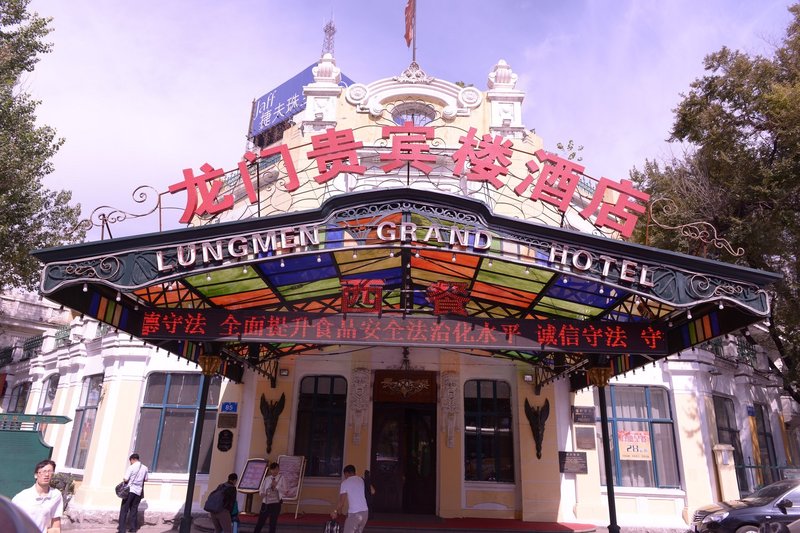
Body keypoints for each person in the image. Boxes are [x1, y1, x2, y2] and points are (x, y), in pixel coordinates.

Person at [11, 459, 64, 533]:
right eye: (43, 471)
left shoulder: (56, 495)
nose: (46, 475)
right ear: (36, 475)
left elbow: (56, 526)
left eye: (49, 471)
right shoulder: (21, 497)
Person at [331, 464, 368, 533]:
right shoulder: (361, 479)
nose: (345, 477)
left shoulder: (345, 483)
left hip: (355, 514)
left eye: (345, 475)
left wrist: (335, 511)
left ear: (347, 473)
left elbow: (341, 502)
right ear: (354, 472)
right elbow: (372, 491)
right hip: (365, 513)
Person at [118, 453, 149, 533]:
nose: (130, 463)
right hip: (138, 492)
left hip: (130, 491)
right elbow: (146, 479)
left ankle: (121, 530)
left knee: (124, 510)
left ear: (132, 459)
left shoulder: (131, 467)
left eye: (130, 461)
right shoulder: (145, 468)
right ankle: (133, 529)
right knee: (134, 510)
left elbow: (125, 479)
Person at [253, 462, 287, 533]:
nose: (274, 471)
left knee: (273, 522)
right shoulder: (267, 479)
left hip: (276, 503)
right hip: (266, 503)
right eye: (273, 469)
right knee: (261, 521)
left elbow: (285, 491)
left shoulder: (282, 478)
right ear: (270, 470)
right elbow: (261, 489)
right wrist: (261, 493)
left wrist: (276, 487)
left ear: (278, 469)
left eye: (276, 469)